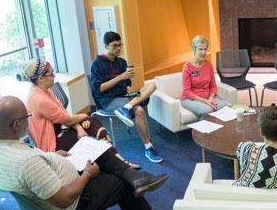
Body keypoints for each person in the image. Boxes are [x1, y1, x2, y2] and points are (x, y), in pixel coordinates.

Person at [0, 96, 171, 210]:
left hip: (44, 201)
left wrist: (54, 157)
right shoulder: (26, 163)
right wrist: (88, 175)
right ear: (15, 125)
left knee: (97, 153)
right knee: (119, 181)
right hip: (70, 208)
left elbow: (34, 174)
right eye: (27, 117)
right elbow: (64, 200)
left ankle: (135, 176)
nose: (29, 121)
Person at [19, 59, 168, 197]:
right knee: (94, 143)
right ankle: (129, 172)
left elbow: (63, 116)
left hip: (62, 129)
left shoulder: (46, 90)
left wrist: (78, 127)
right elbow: (66, 118)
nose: (54, 76)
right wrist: (82, 118)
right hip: (53, 144)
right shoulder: (38, 98)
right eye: (51, 74)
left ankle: (124, 167)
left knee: (93, 123)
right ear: (40, 79)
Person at [90, 31, 163, 163]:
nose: (118, 48)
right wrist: (120, 77)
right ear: (106, 46)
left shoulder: (122, 62)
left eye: (120, 45)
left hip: (124, 96)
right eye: (114, 45)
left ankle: (128, 106)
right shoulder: (97, 64)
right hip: (108, 100)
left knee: (151, 85)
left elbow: (127, 83)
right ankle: (148, 147)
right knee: (140, 110)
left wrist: (127, 86)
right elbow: (99, 89)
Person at [180, 35, 229, 117]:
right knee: (207, 110)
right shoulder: (187, 67)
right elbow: (187, 92)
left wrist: (211, 97)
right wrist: (205, 101)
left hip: (207, 97)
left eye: (205, 49)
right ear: (194, 49)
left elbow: (213, 86)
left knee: (224, 106)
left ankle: (220, 129)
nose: (203, 52)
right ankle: (204, 129)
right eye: (200, 49)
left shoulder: (208, 65)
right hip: (190, 99)